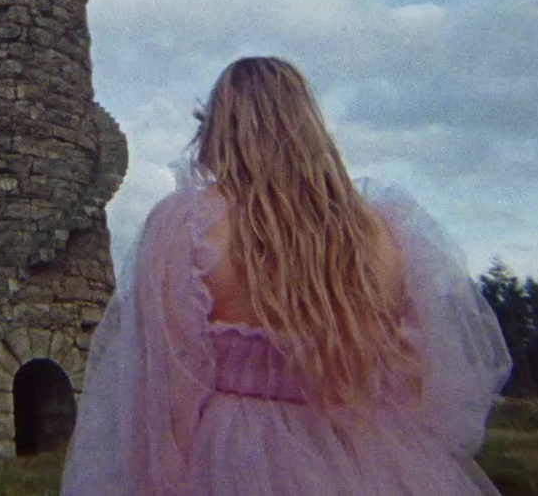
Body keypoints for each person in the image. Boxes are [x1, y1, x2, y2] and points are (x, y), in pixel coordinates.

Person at [61, 57, 512, 495]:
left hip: (228, 462)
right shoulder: (382, 236)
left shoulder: (188, 227)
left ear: (220, 129)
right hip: (367, 455)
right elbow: (417, 385)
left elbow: (165, 390)